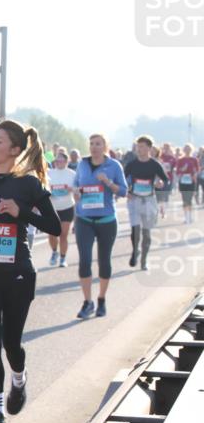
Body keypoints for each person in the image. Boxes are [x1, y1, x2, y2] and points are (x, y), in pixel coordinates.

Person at [0, 121, 61, 423]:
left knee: (11, 344)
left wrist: (21, 212)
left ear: (15, 150)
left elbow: (55, 226)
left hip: (18, 274)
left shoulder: (28, 184)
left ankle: (18, 378)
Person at [73, 133, 128, 319]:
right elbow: (76, 186)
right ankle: (87, 302)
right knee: (85, 260)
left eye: (98, 144)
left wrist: (108, 182)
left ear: (105, 146)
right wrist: (76, 193)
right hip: (84, 219)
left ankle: (102, 299)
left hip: (106, 220)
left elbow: (123, 191)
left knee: (104, 261)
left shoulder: (114, 165)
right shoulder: (82, 164)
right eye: (91, 143)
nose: (94, 147)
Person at [125, 135, 169, 271]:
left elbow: (166, 181)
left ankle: (144, 260)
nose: (139, 149)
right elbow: (121, 179)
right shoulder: (131, 164)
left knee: (147, 233)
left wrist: (160, 183)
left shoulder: (155, 164)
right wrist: (126, 191)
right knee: (135, 229)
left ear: (149, 148)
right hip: (134, 200)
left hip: (149, 200)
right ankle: (135, 251)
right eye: (138, 147)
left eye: (142, 147)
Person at [47, 150, 76, 267]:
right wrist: (49, 191)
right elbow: (43, 188)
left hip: (67, 207)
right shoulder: (49, 173)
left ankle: (63, 259)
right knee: (52, 234)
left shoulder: (72, 174)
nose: (58, 162)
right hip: (52, 208)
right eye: (57, 160)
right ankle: (54, 252)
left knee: (63, 234)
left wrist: (70, 189)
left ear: (66, 161)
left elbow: (77, 189)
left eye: (61, 160)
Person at [173, 144, 200, 223]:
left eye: (189, 149)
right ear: (183, 150)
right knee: (184, 199)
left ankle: (190, 216)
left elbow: (198, 169)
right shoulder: (180, 160)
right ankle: (186, 216)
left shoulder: (194, 159)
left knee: (190, 198)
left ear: (191, 150)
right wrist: (182, 170)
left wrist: (195, 174)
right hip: (183, 181)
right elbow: (177, 171)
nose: (187, 150)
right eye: (186, 149)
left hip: (191, 180)